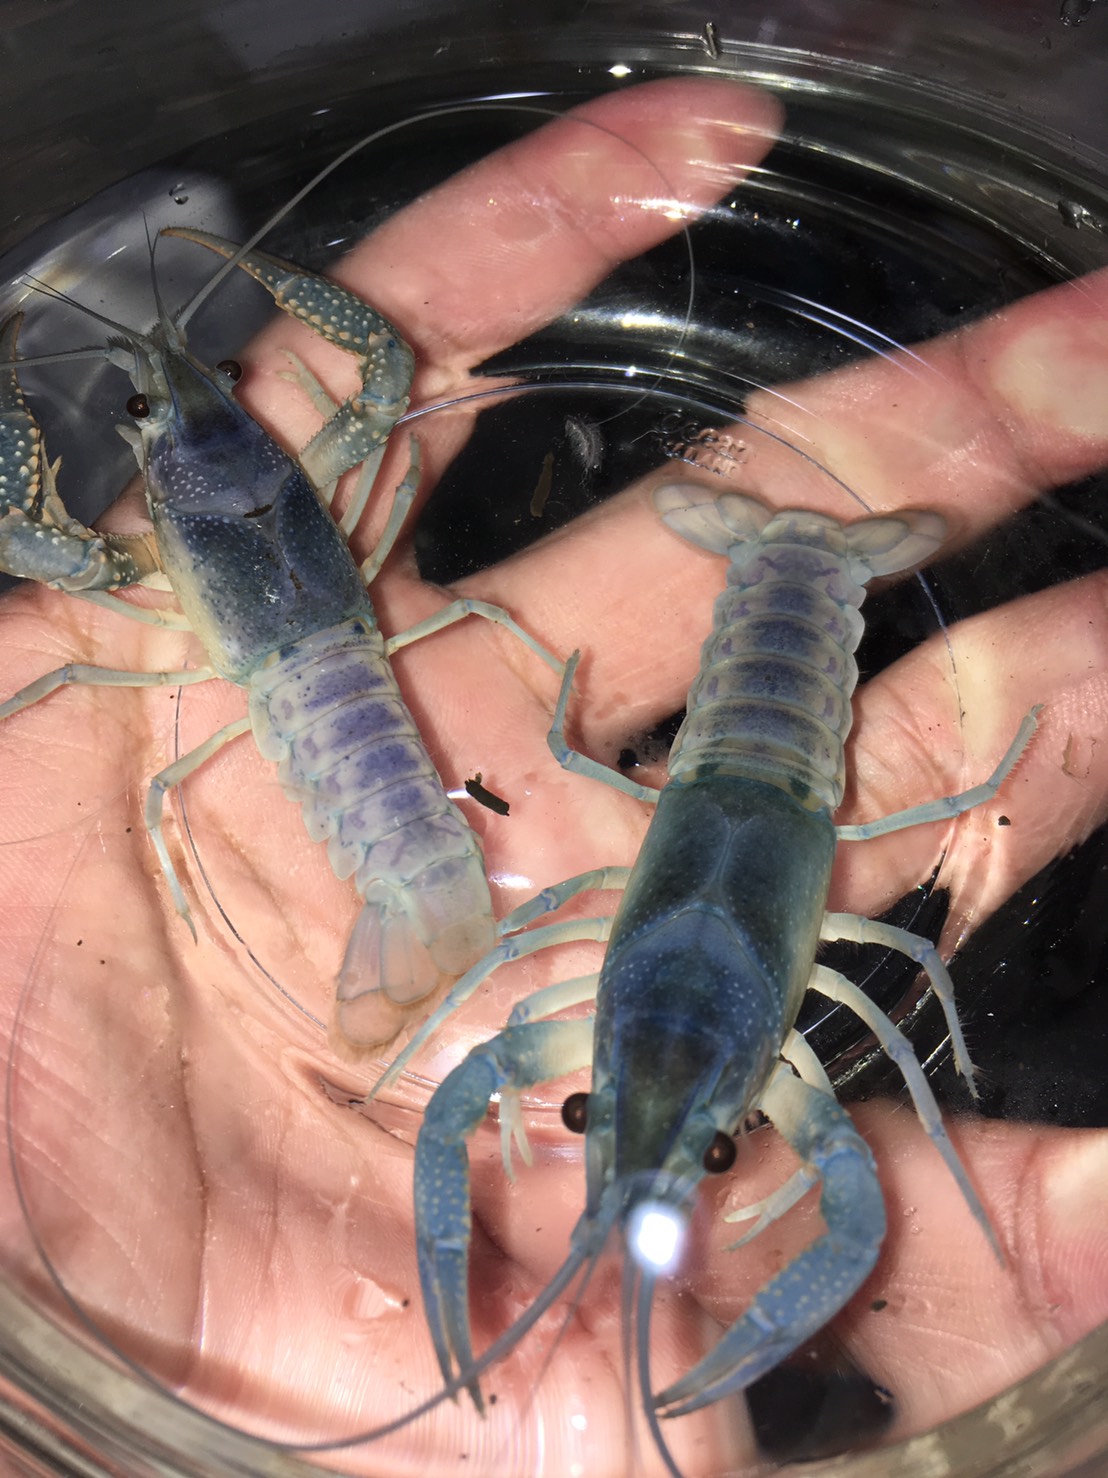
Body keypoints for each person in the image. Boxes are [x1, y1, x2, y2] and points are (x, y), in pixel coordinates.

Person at [0, 75, 1104, 1477]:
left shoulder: (573, 976)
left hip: (694, 758)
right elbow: (378, 377)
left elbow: (494, 1079)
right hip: (554, 743)